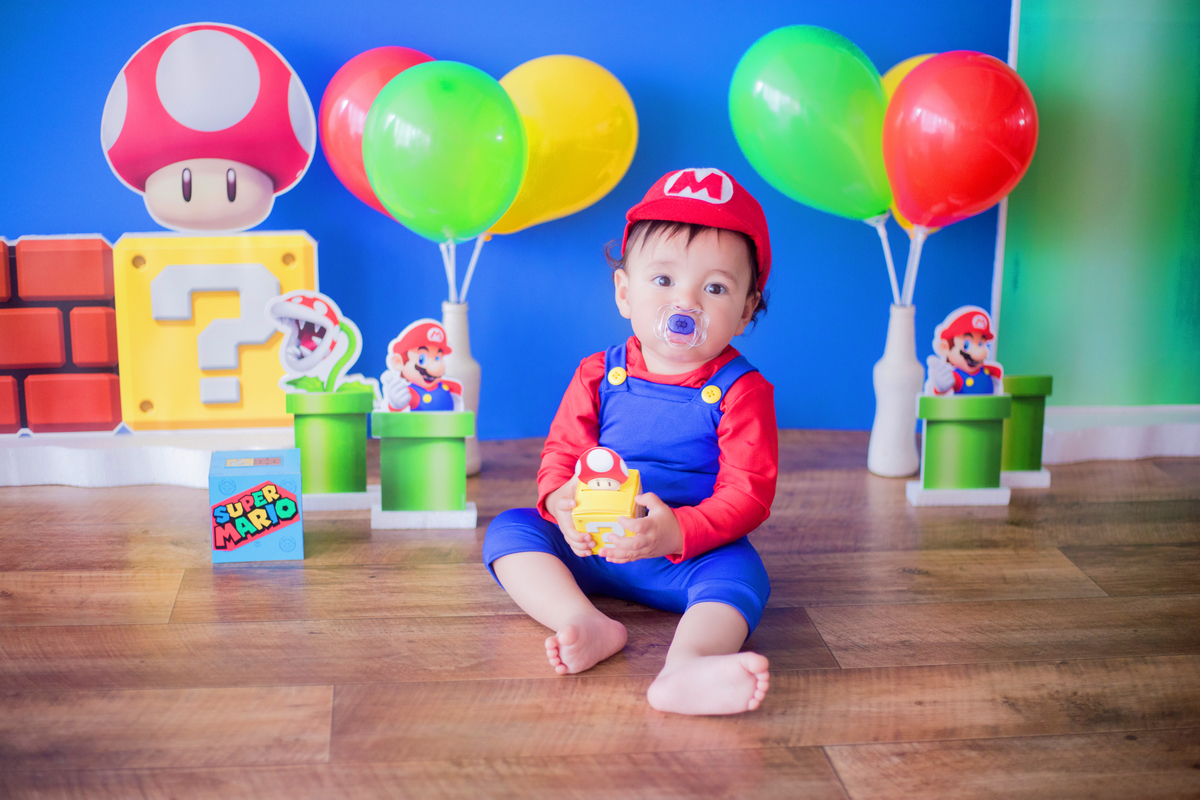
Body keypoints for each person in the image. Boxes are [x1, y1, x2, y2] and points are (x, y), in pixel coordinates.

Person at [482, 168, 778, 715]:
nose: (684, 303)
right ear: (624, 291)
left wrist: (676, 530)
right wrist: (560, 502)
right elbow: (562, 453)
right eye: (663, 281)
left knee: (742, 574)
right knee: (511, 530)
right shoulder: (598, 373)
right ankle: (582, 620)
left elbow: (749, 494)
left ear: (744, 310)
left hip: (682, 557)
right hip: (590, 546)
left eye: (714, 288)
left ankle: (687, 664)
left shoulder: (743, 391)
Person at [924, 305, 1003, 395]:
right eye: (966, 345)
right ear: (945, 348)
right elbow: (941, 393)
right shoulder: (956, 377)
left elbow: (998, 373)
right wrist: (940, 389)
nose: (979, 352)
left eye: (981, 344)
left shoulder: (989, 370)